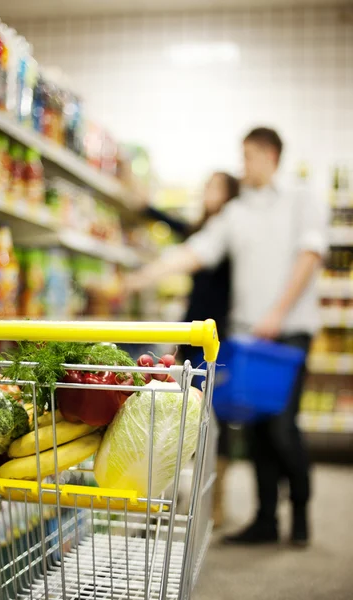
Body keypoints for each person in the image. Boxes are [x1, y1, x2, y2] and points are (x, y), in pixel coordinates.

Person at [125, 127, 328, 546]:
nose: (243, 165)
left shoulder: (301, 198)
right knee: (253, 429)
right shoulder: (238, 212)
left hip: (288, 333)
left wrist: (277, 312)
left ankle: (302, 512)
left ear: (270, 154)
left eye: (249, 156)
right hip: (247, 337)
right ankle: (266, 521)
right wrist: (141, 277)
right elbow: (198, 250)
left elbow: (310, 255)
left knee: (282, 427)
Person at [144, 172, 239, 527]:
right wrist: (145, 206)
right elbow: (177, 227)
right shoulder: (204, 230)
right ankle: (171, 496)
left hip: (216, 339)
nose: (206, 191)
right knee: (177, 414)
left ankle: (215, 504)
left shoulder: (230, 234)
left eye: (214, 186)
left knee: (214, 421)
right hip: (190, 334)